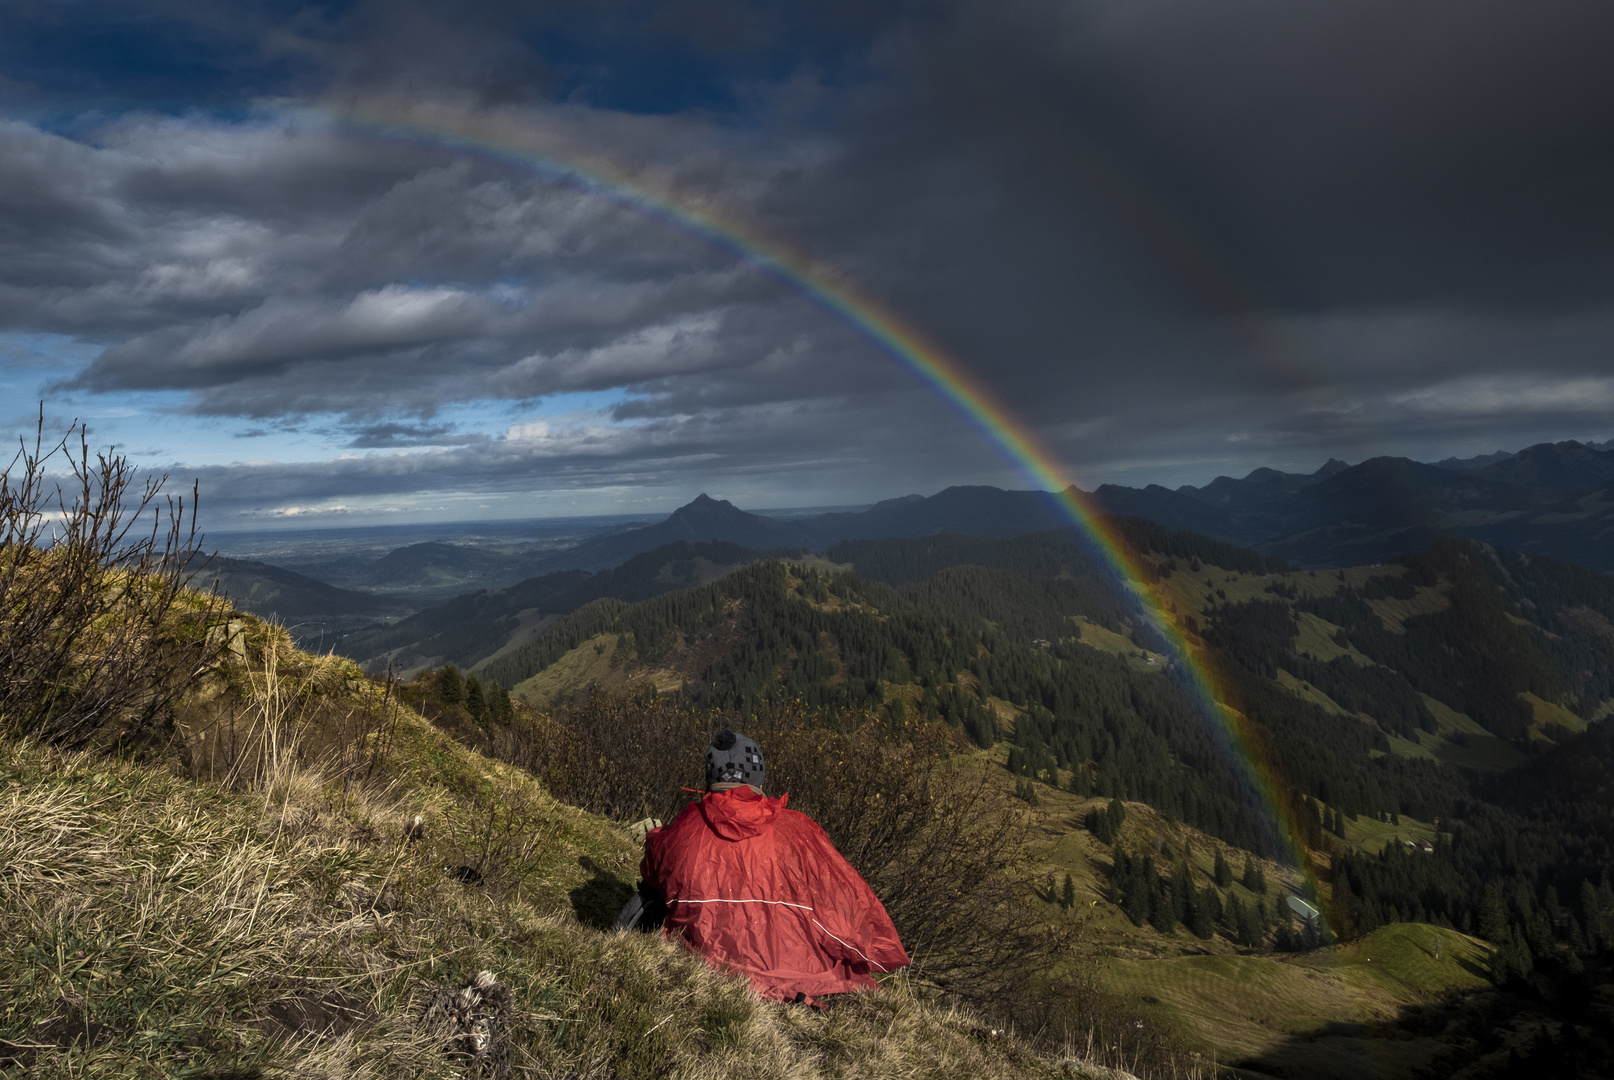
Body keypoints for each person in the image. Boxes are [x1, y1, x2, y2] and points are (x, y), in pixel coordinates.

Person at [632, 728, 910, 1004]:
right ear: (758, 778)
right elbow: (847, 907)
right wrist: (876, 953)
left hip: (710, 970)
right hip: (805, 976)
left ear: (710, 777)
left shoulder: (682, 833)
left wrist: (660, 836)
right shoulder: (800, 832)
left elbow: (653, 878)